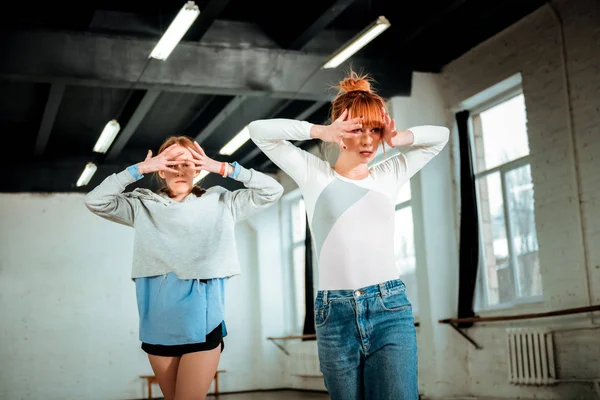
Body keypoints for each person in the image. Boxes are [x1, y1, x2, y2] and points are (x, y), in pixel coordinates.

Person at [248, 70, 449, 400]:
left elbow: (440, 135)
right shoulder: (314, 174)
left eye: (375, 129)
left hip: (389, 310)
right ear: (340, 133)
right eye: (358, 129)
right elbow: (259, 132)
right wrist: (319, 130)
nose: (369, 139)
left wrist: (398, 139)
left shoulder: (390, 172)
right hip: (334, 315)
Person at [84, 136, 283, 400]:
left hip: (203, 321)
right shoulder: (141, 205)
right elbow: (95, 200)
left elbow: (273, 190)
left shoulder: (222, 202)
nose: (180, 170)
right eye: (171, 163)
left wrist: (224, 168)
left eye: (187, 163)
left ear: (198, 168)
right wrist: (138, 170)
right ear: (160, 169)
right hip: (157, 321)